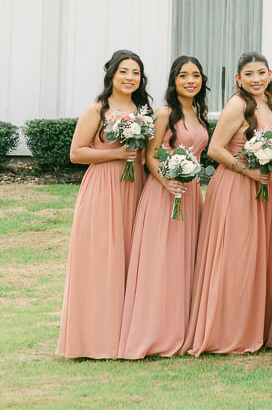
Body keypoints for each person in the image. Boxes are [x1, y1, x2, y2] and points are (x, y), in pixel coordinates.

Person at [184, 52, 272, 355]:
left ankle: (255, 325)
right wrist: (248, 170)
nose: (256, 79)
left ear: (269, 74)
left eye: (261, 73)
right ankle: (228, 331)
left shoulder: (269, 104)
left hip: (259, 188)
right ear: (238, 79)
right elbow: (215, 149)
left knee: (254, 256)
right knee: (234, 257)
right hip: (235, 187)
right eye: (249, 74)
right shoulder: (238, 104)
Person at [56, 50, 149, 359]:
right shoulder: (97, 110)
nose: (129, 77)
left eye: (135, 72)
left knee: (127, 257)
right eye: (124, 71)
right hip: (103, 187)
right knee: (101, 258)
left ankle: (125, 335)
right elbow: (76, 153)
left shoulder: (144, 110)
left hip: (134, 187)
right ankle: (93, 338)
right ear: (111, 74)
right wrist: (116, 154)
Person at [119, 56, 210, 359]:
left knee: (186, 261)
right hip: (163, 193)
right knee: (162, 262)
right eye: (183, 76)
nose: (190, 81)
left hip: (192, 192)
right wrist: (167, 181)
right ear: (173, 81)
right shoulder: (164, 113)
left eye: (195, 76)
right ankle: (155, 333)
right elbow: (150, 156)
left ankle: (181, 329)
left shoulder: (199, 112)